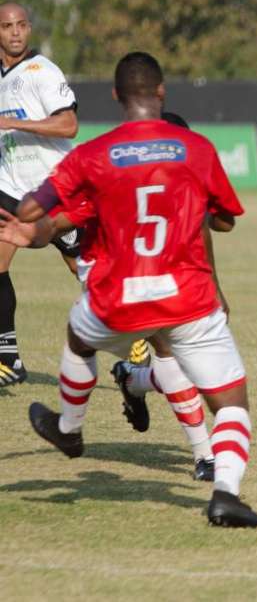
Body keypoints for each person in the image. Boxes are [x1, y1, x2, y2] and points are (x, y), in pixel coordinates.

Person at [18, 52, 257, 526]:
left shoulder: (92, 154)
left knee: (78, 335)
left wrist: (24, 221)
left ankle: (70, 428)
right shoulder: (195, 149)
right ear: (161, 92)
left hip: (117, 296)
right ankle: (225, 494)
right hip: (188, 296)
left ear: (115, 96)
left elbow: (41, 209)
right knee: (231, 402)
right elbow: (226, 218)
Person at [0, 110, 220, 483]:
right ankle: (202, 453)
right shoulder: (116, 178)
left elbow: (205, 232)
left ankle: (131, 385)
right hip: (109, 277)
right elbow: (64, 218)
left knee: (174, 356)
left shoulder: (182, 183)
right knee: (167, 353)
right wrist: (35, 231)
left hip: (162, 277)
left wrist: (215, 288)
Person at [0, 1, 80, 385]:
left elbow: (69, 125)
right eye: (6, 26)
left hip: (55, 189)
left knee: (87, 273)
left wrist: (10, 122)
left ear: (29, 29)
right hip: (10, 187)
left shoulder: (42, 71)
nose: (15, 32)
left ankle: (136, 342)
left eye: (21, 25)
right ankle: (8, 358)